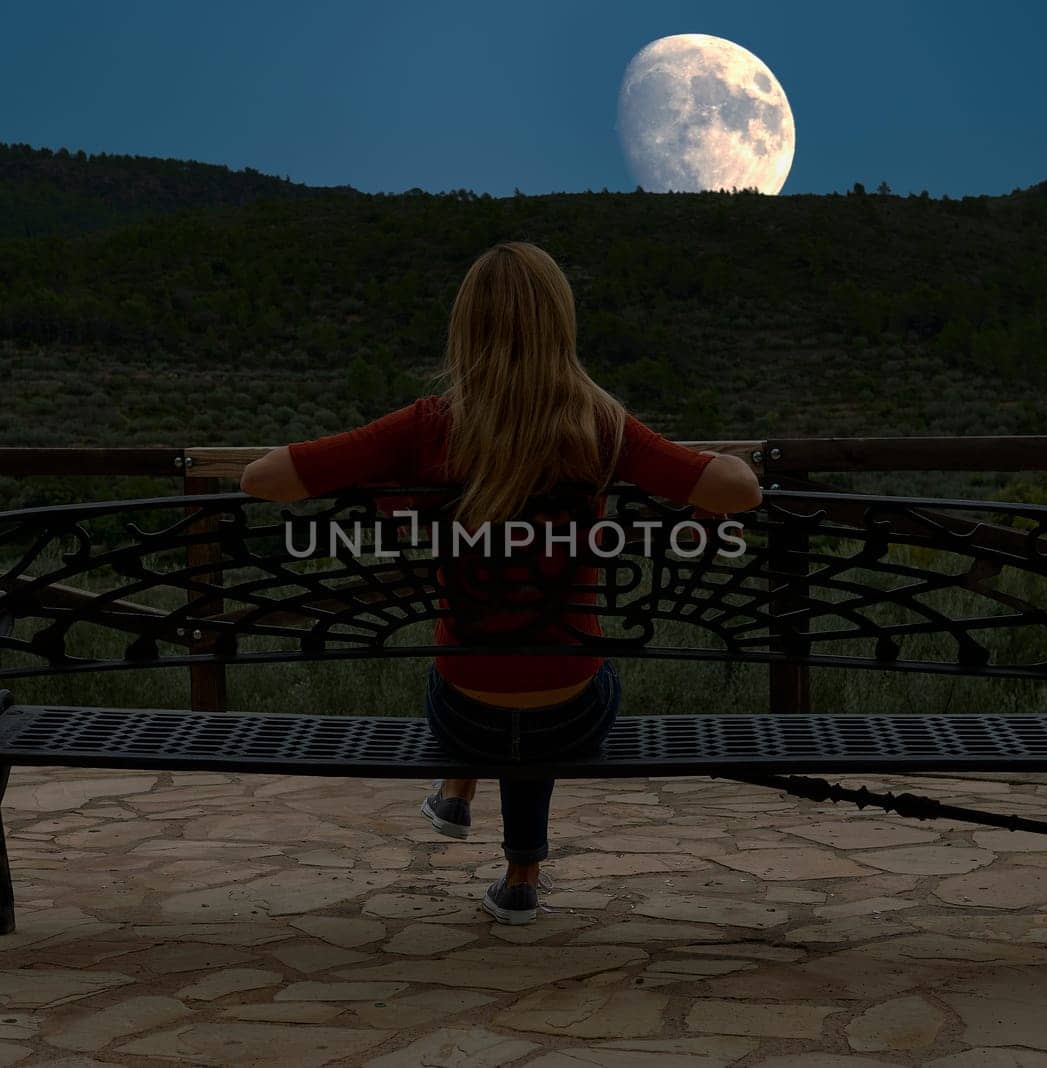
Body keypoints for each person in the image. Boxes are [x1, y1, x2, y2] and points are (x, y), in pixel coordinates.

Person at [239, 241, 762, 923]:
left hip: (465, 712)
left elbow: (262, 479)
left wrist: (376, 479)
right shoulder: (601, 427)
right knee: (556, 671)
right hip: (575, 714)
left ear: (466, 330)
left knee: (481, 670)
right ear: (560, 326)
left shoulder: (428, 427)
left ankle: (458, 786)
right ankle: (521, 872)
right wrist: (688, 482)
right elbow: (741, 490)